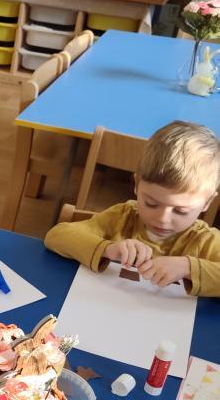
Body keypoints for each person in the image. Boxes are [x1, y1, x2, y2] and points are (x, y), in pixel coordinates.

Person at [44, 121, 220, 296]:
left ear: (207, 202)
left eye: (181, 211)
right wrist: (108, 249)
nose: (162, 218)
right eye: (151, 203)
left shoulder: (205, 241)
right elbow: (56, 236)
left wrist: (188, 267)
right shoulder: (122, 216)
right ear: (136, 184)